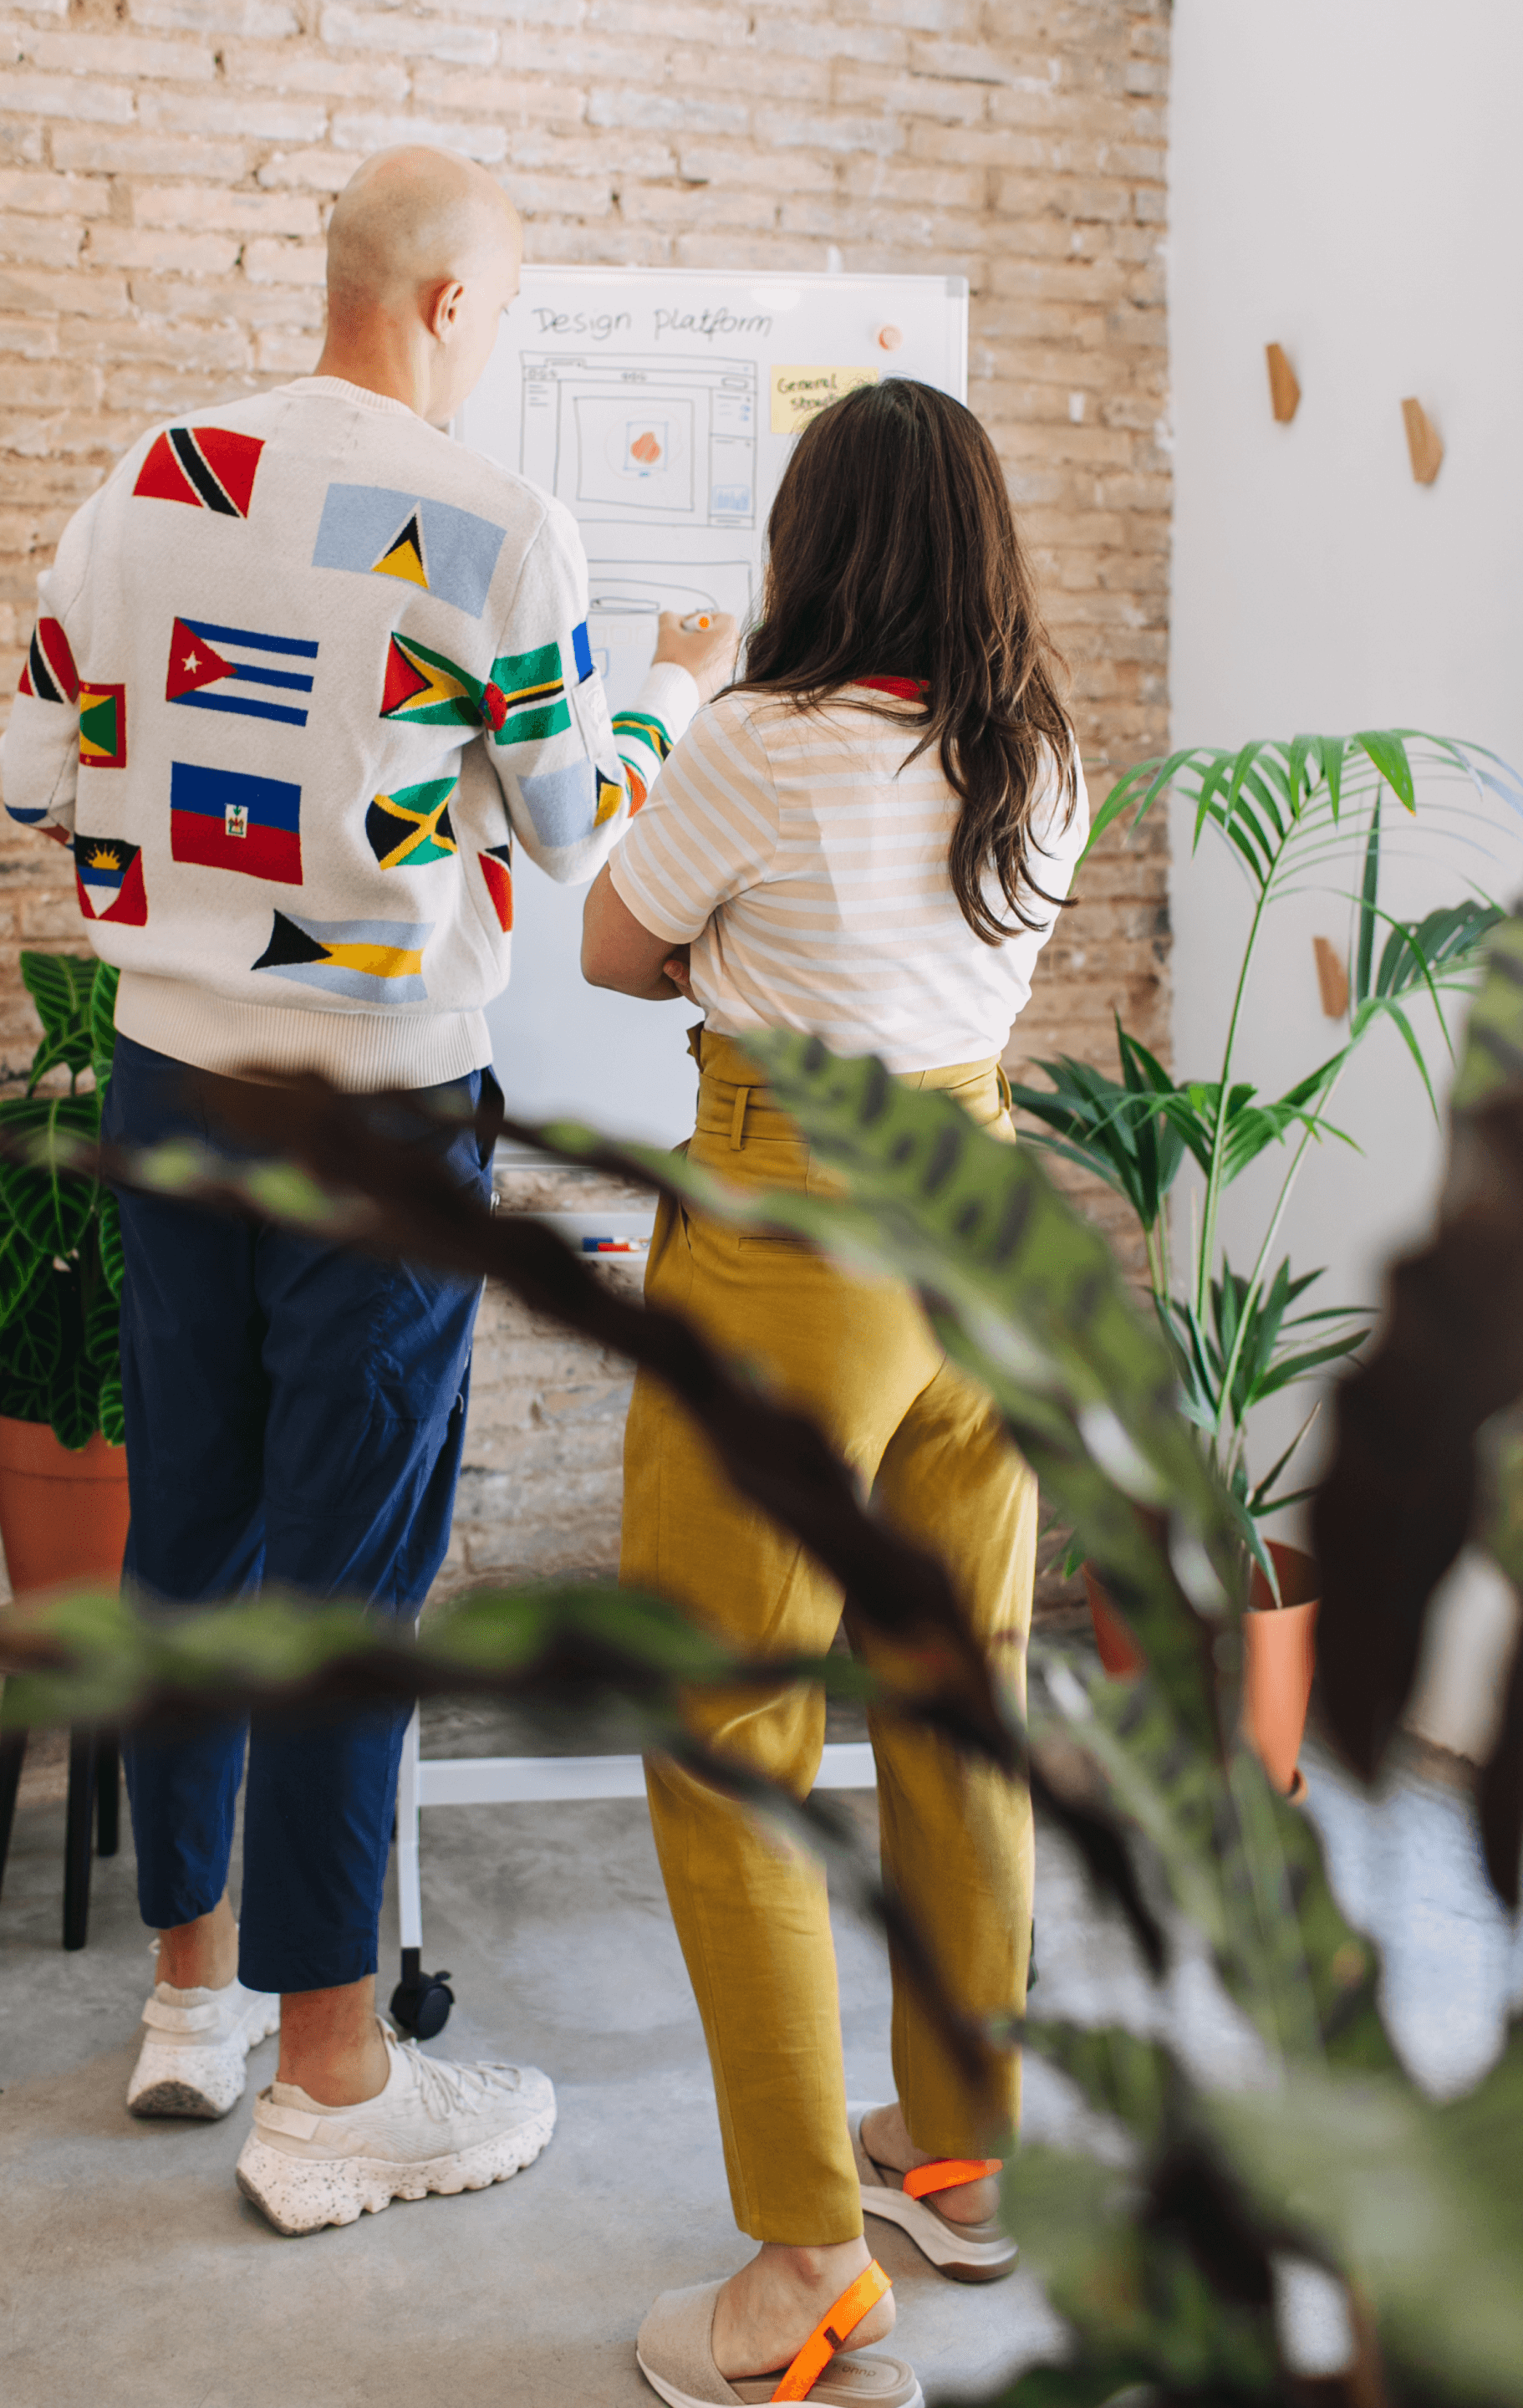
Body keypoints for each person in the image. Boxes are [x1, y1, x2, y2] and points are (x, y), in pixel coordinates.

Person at [0, 145, 737, 2237]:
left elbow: (30, 775)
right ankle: (334, 2088)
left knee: (194, 1537)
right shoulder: (498, 529)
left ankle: (191, 1998)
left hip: (162, 1084)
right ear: (440, 307)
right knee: (343, 1591)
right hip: (379, 1122)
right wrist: (673, 679)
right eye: (496, 318)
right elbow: (579, 823)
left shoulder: (142, 481)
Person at [580, 377, 1089, 2407]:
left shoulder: (757, 741)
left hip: (797, 1255)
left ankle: (801, 2269)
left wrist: (668, 703)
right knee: (960, 1696)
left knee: (729, 1733)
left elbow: (617, 953)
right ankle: (955, 2158)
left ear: (815, 543)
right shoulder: (1032, 754)